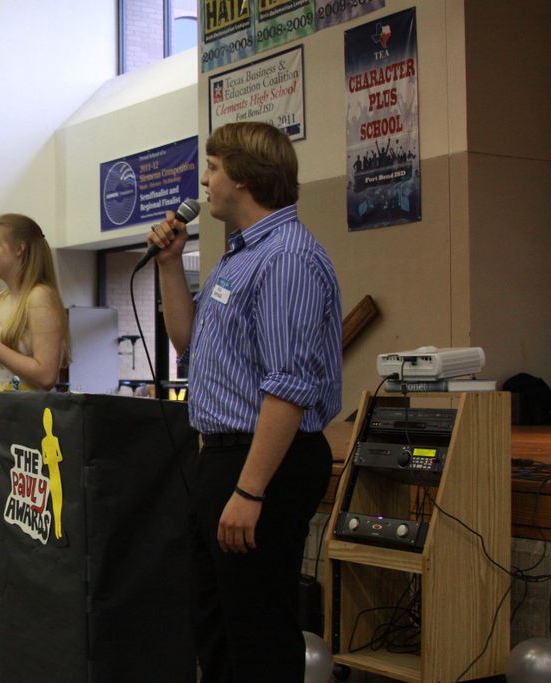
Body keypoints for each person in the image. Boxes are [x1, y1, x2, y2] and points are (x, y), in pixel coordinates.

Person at [147, 121, 342, 682]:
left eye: (212, 169)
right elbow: (188, 342)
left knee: (257, 631)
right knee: (216, 626)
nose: (204, 182)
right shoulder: (239, 256)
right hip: (224, 457)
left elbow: (289, 387)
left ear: (245, 178)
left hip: (265, 462)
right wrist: (169, 265)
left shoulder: (287, 259)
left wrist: (250, 489)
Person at [0, 213, 70, 683]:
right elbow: (1, 374)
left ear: (20, 249)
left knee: (31, 553)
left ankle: (38, 657)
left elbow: (44, 373)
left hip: (32, 440)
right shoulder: (3, 300)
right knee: (9, 556)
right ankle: (14, 655)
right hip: (0, 430)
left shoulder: (40, 298)